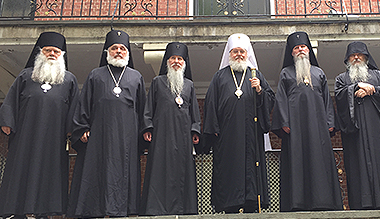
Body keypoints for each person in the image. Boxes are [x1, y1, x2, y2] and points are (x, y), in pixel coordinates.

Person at [68, 30, 146, 217]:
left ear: (127, 52)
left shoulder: (136, 77)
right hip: (99, 137)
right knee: (97, 173)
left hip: (127, 139)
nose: (118, 51)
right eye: (114, 48)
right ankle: (96, 210)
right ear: (107, 51)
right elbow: (84, 103)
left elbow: (143, 109)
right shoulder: (95, 75)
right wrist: (83, 128)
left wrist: (144, 133)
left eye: (122, 48)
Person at [0, 32, 79, 218]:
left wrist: (71, 130)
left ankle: (43, 212)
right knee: (21, 170)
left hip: (54, 139)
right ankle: (16, 212)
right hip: (25, 137)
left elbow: (75, 107)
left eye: (56, 51)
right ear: (40, 53)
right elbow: (10, 102)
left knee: (49, 173)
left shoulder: (69, 80)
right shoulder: (26, 76)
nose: (52, 54)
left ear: (62, 55)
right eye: (48, 50)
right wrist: (7, 123)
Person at [203, 33, 275, 213]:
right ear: (229, 53)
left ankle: (251, 204)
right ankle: (230, 206)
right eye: (235, 51)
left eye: (242, 52)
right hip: (227, 138)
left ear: (247, 54)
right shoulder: (219, 77)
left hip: (251, 136)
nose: (239, 55)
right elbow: (210, 105)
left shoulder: (255, 74)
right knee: (229, 172)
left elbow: (270, 99)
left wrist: (259, 91)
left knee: (251, 172)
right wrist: (214, 132)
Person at [271, 31, 342, 211]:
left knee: (320, 162)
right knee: (297, 162)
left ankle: (323, 201)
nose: (301, 50)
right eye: (297, 48)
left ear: (309, 50)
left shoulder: (319, 73)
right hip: (295, 129)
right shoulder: (286, 73)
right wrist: (284, 121)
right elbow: (281, 99)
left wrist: (330, 121)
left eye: (303, 47)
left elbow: (327, 99)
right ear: (292, 53)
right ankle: (298, 203)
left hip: (318, 128)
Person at [335, 41, 380, 210]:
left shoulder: (378, 75)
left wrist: (372, 89)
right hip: (355, 132)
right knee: (357, 165)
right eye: (352, 55)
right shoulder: (341, 79)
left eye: (360, 55)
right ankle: (360, 203)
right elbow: (339, 96)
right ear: (347, 59)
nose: (356, 57)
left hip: (377, 129)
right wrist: (356, 87)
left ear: (366, 57)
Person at [139, 42, 200, 215]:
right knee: (159, 171)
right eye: (172, 58)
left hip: (183, 137)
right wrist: (148, 127)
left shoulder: (189, 85)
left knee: (183, 172)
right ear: (167, 61)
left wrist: (195, 130)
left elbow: (194, 111)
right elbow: (149, 109)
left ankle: (184, 209)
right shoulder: (157, 82)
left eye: (179, 59)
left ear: (184, 63)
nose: (176, 61)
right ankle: (156, 208)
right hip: (161, 136)